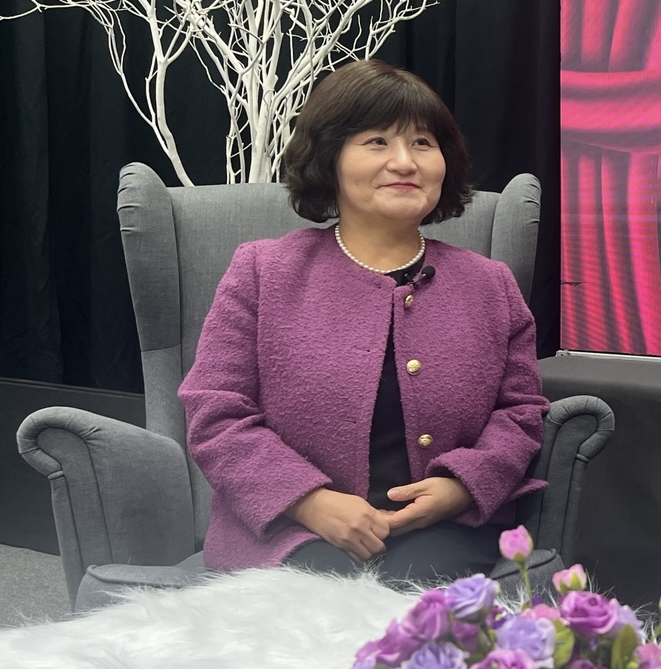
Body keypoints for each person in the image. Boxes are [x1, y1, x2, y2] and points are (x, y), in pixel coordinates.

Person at [178, 59, 548, 584]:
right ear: (329, 158)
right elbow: (216, 412)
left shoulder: (490, 284)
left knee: (418, 602)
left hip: (450, 529)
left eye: (422, 143)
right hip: (291, 530)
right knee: (318, 603)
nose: (405, 161)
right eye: (377, 141)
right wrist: (308, 501)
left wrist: (461, 487)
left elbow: (520, 412)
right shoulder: (264, 270)